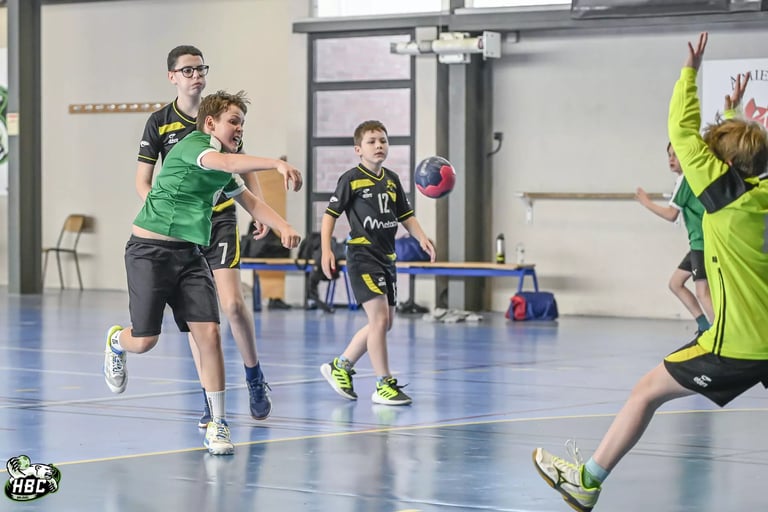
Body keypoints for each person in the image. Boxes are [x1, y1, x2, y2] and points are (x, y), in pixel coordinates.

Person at [532, 32, 768, 511]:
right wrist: (731, 114)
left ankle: (586, 481)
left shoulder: (724, 201)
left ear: (721, 167)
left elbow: (682, 130)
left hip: (739, 344)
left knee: (644, 393)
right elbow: (740, 157)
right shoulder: (758, 195)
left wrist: (690, 73)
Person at [104, 90, 302, 455]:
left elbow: (249, 200)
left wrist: (282, 225)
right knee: (145, 341)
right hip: (149, 252)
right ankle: (117, 341)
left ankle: (218, 423)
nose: (239, 129)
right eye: (233, 121)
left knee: (209, 334)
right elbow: (225, 163)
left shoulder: (221, 167)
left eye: (242, 123)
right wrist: (275, 163)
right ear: (210, 123)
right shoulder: (195, 146)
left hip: (189, 255)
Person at [135, 45, 280, 427]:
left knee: (232, 305)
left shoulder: (221, 117)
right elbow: (144, 182)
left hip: (220, 219)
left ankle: (254, 376)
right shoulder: (160, 122)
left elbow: (238, 164)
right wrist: (166, 217)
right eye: (188, 70)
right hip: (181, 228)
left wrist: (260, 211)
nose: (196, 75)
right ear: (172, 77)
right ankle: (209, 396)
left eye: (201, 69)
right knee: (195, 317)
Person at [318, 120, 435, 406]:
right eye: (371, 141)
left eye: (383, 140)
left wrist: (422, 237)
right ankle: (384, 384)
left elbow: (406, 216)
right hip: (362, 256)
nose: (379, 145)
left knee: (385, 323)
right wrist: (326, 250)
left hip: (387, 258)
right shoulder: (351, 179)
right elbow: (330, 215)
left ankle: (341, 366)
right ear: (358, 149)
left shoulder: (392, 180)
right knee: (379, 320)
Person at [636, 143, 713, 333]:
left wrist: (646, 202)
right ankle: (704, 326)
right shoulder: (687, 180)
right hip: (698, 243)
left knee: (703, 292)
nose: (671, 159)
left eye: (675, 155)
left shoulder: (686, 179)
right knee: (675, 283)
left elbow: (671, 214)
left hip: (702, 244)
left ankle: (722, 335)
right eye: (669, 155)